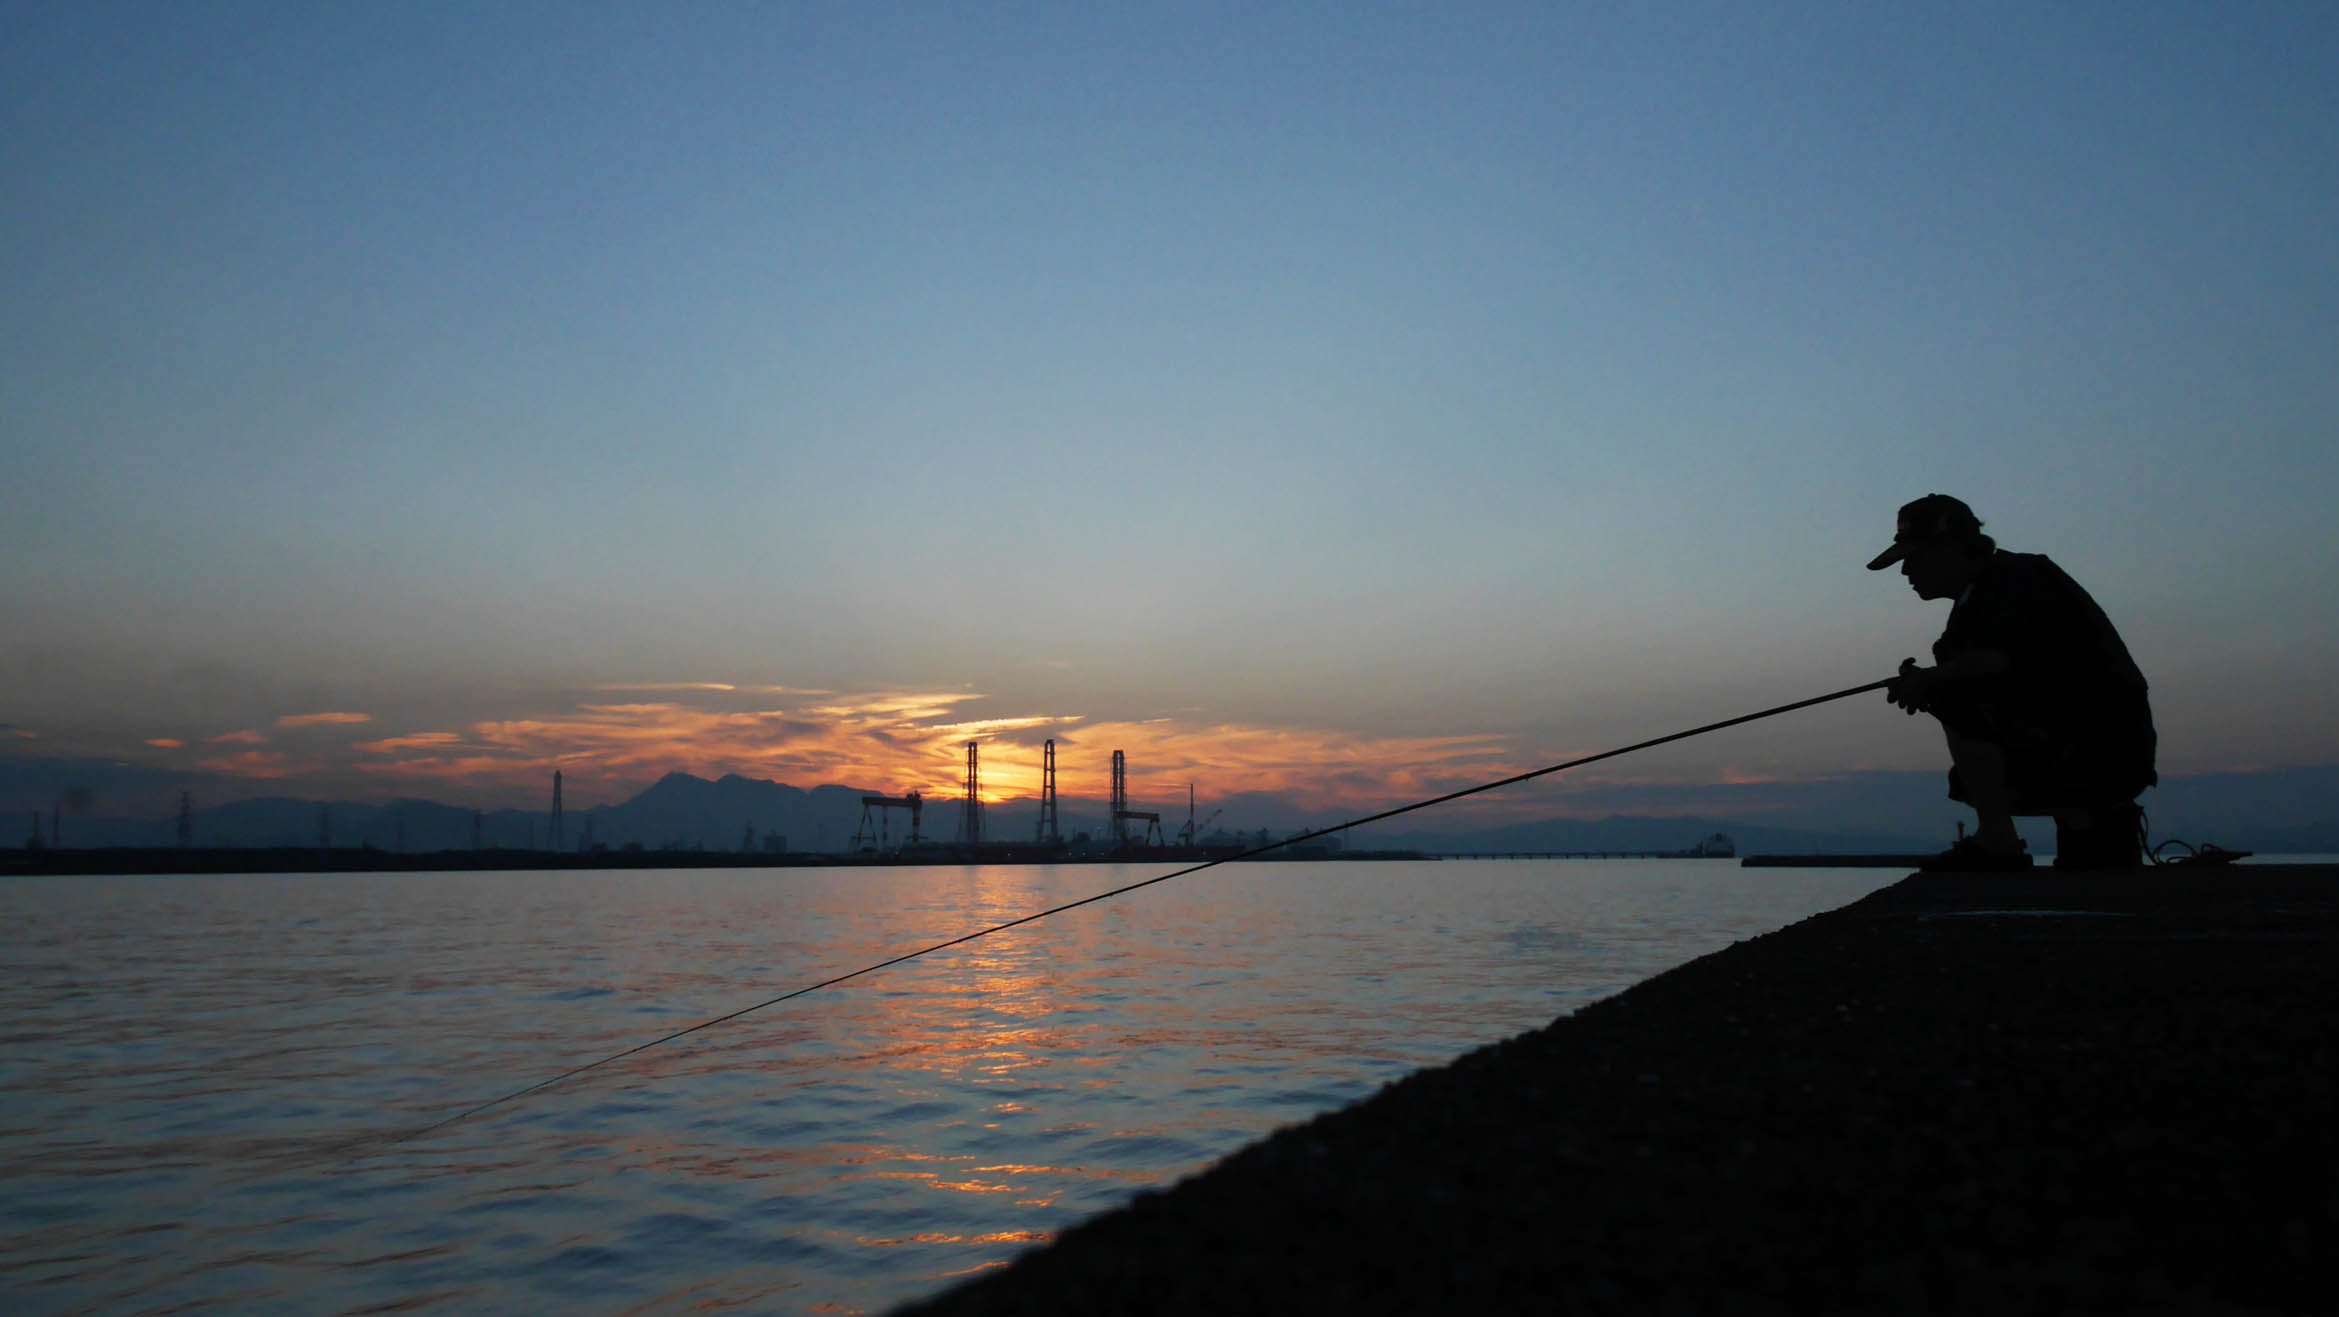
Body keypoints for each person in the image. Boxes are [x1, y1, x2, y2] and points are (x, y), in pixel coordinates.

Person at [1870, 494, 2156, 870]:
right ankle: (2082, 817)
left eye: (1914, 558)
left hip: (2105, 753)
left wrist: (1929, 681)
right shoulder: (1984, 593)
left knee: (1953, 696)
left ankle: (2001, 841)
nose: (1905, 571)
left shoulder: (2013, 579)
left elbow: (1989, 663)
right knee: (1949, 693)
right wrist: (1926, 681)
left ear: (1951, 549)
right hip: (2091, 748)